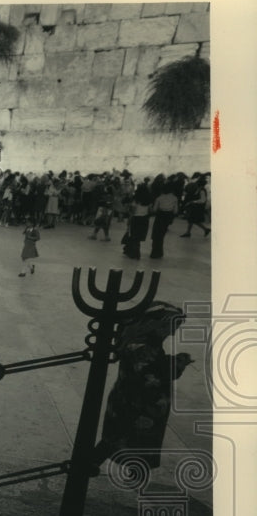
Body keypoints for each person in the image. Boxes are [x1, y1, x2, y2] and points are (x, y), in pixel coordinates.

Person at [91, 301, 192, 470]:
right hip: (137, 404)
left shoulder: (144, 343)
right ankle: (92, 463)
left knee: (121, 437)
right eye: (169, 327)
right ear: (155, 325)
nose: (172, 332)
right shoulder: (142, 347)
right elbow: (153, 373)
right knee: (123, 437)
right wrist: (178, 363)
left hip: (132, 401)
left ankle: (125, 469)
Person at [149, 182, 178, 259]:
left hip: (160, 216)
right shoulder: (174, 198)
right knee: (162, 234)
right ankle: (159, 252)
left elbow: (154, 210)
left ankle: (155, 252)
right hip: (168, 217)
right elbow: (175, 211)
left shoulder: (159, 198)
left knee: (156, 234)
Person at [123, 183, 152, 260]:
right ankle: (136, 253)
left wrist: (129, 219)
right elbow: (150, 211)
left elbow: (132, 212)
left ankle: (135, 253)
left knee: (134, 236)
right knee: (139, 237)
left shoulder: (136, 200)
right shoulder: (148, 200)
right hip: (145, 220)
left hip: (136, 219)